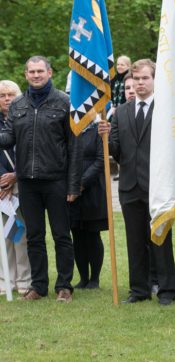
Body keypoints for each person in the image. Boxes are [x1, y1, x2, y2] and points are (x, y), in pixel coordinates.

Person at [0, 56, 81, 303]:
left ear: (49, 72)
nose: (36, 75)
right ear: (25, 75)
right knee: (34, 236)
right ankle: (38, 286)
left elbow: (73, 146)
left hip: (56, 180)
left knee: (61, 235)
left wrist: (73, 184)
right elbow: (8, 139)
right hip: (27, 182)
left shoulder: (64, 102)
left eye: (40, 71)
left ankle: (64, 286)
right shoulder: (18, 105)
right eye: (32, 72)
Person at [99, 59, 175, 306]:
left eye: (145, 78)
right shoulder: (121, 112)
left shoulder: (166, 110)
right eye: (136, 80)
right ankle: (139, 289)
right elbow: (117, 150)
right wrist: (104, 137)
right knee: (134, 241)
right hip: (130, 185)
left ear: (155, 80)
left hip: (158, 185)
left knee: (160, 239)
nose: (140, 83)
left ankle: (166, 290)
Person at [0, 80, 31, 295]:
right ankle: (5, 281)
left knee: (21, 235)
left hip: (22, 184)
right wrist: (2, 180)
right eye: (2, 95)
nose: (7, 99)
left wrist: (15, 177)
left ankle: (24, 281)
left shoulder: (26, 117)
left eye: (11, 94)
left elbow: (33, 150)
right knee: (2, 237)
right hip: (1, 186)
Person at [68, 119, 107, 289]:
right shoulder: (69, 129)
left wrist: (81, 183)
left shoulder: (98, 129)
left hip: (93, 188)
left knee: (92, 235)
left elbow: (101, 160)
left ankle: (94, 279)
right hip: (71, 190)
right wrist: (72, 185)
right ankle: (83, 278)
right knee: (76, 234)